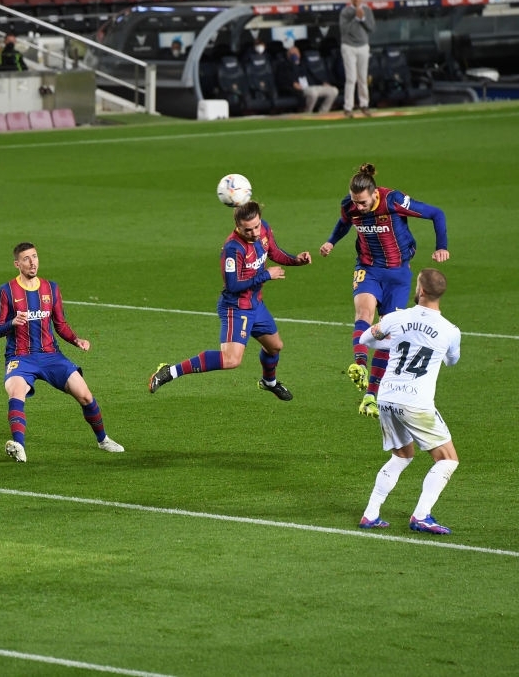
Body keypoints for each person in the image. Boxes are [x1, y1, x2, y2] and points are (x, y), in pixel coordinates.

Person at [319, 163, 449, 418]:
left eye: (363, 202)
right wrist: (331, 241)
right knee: (363, 314)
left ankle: (370, 396)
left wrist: (441, 246)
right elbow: (345, 221)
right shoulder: (350, 205)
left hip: (398, 274)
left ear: (374, 193)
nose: (359, 207)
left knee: (388, 331)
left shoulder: (394, 200)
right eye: (356, 201)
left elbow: (437, 213)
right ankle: (359, 364)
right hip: (368, 267)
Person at [149, 201, 311, 400]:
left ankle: (269, 382)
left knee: (275, 346)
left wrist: (296, 260)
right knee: (231, 360)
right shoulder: (232, 249)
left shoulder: (264, 229)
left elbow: (274, 252)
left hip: (256, 304)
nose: (254, 233)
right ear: (237, 226)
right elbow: (233, 286)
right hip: (236, 307)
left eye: (257, 226)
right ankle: (170, 371)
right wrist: (266, 275)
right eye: (248, 229)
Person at [0, 243, 124, 463]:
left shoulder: (51, 288)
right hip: (20, 356)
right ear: (17, 264)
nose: (32, 262)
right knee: (16, 392)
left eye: (34, 256)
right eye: (26, 258)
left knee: (85, 394)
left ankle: (103, 439)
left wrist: (76, 339)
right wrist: (12, 322)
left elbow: (60, 323)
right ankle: (18, 446)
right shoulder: (6, 291)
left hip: (52, 355)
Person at [357, 269, 461, 535]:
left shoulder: (396, 317)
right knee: (447, 459)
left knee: (402, 455)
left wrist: (395, 341)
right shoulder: (450, 330)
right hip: (416, 402)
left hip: (387, 397)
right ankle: (421, 515)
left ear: (422, 291)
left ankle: (370, 514)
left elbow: (366, 339)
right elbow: (452, 360)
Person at [339, 0, 375, 117]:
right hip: (349, 46)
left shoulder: (367, 10)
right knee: (351, 78)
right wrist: (356, 18)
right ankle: (348, 107)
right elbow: (344, 29)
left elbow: (371, 28)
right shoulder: (345, 11)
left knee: (363, 77)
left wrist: (363, 19)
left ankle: (364, 105)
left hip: (363, 46)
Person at [275, 44, 339, 113]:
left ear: (299, 54)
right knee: (313, 93)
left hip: (312, 86)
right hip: (301, 89)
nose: (294, 54)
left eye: (296, 52)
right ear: (288, 55)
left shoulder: (303, 64)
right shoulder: (284, 66)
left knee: (333, 91)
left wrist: (322, 83)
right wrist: (293, 84)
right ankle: (308, 112)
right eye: (292, 53)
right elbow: (282, 79)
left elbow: (312, 76)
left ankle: (323, 111)